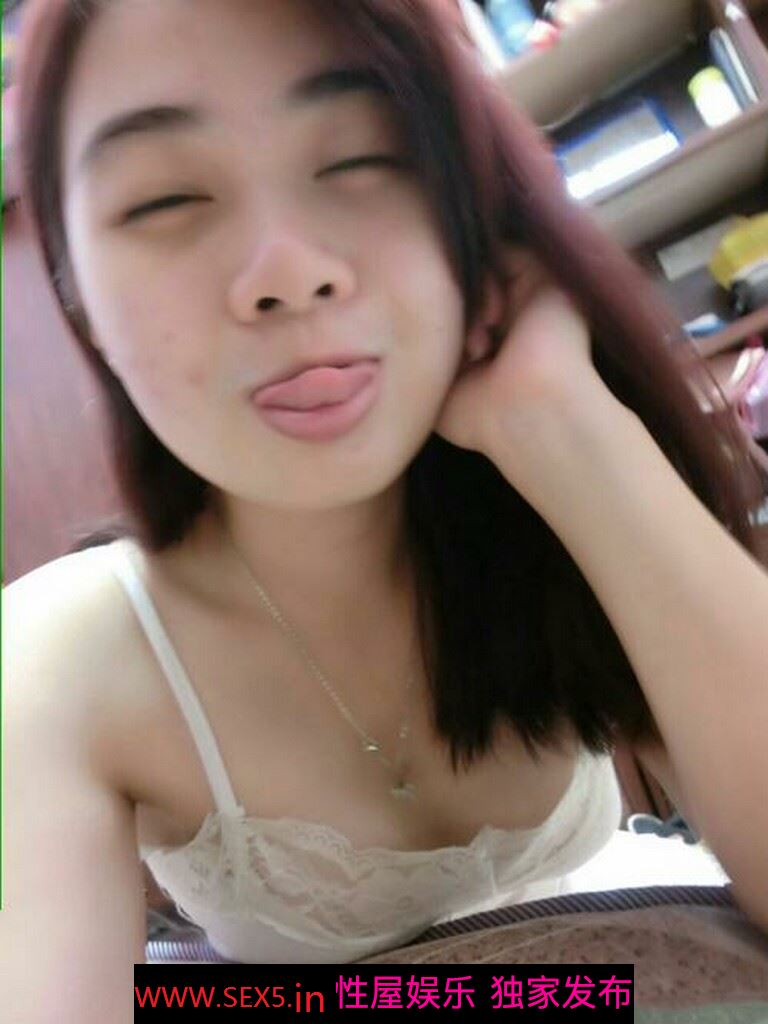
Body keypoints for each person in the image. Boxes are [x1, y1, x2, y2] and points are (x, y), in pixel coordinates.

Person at [3, 0, 768, 1014]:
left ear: (471, 206)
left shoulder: (544, 508)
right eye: (165, 198)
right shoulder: (57, 657)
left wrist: (560, 420)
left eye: (364, 157)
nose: (289, 273)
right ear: (79, 295)